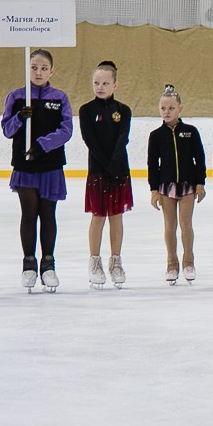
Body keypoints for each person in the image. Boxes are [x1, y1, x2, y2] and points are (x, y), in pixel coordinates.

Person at [1, 48, 74, 292]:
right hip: (25, 166)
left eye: (44, 68)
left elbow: (66, 130)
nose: (39, 72)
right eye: (34, 67)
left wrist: (42, 146)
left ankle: (49, 264)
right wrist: (20, 117)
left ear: (52, 70)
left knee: (48, 215)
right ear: (27, 69)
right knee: (29, 215)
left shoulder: (59, 97)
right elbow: (7, 130)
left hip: (50, 165)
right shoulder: (17, 96)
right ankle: (29, 264)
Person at [79, 60, 135, 288]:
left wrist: (114, 164)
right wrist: (105, 164)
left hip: (119, 170)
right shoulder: (86, 110)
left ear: (115, 84)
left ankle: (116, 260)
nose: (100, 87)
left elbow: (123, 138)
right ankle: (94, 261)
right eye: (96, 83)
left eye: (105, 83)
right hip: (98, 171)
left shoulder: (123, 111)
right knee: (98, 216)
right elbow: (89, 140)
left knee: (116, 217)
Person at [146, 85, 206, 284]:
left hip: (188, 185)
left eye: (171, 108)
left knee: (186, 223)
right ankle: (172, 264)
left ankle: (189, 261)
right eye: (163, 108)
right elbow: (152, 164)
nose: (166, 112)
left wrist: (200, 183)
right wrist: (154, 190)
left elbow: (200, 158)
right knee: (170, 226)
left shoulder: (191, 131)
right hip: (165, 186)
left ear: (180, 108)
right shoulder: (156, 136)